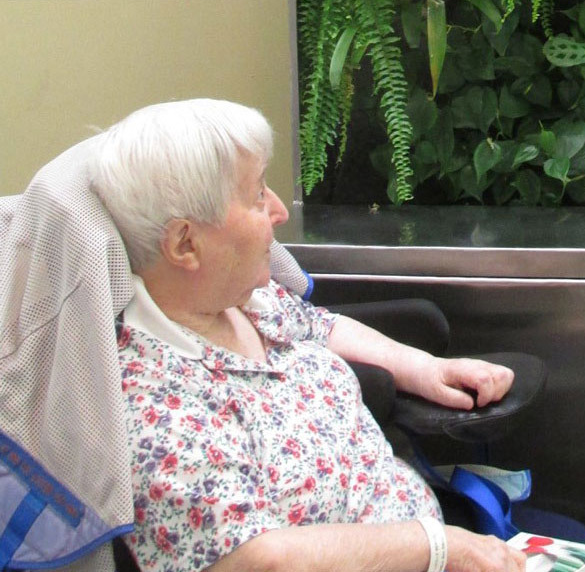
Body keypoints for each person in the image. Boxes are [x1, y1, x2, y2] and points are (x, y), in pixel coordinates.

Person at [89, 98, 527, 572]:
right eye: (257, 196)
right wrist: (440, 547)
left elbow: (321, 324)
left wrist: (426, 368)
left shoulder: (247, 302)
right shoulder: (156, 406)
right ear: (185, 244)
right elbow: (256, 560)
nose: (278, 210)